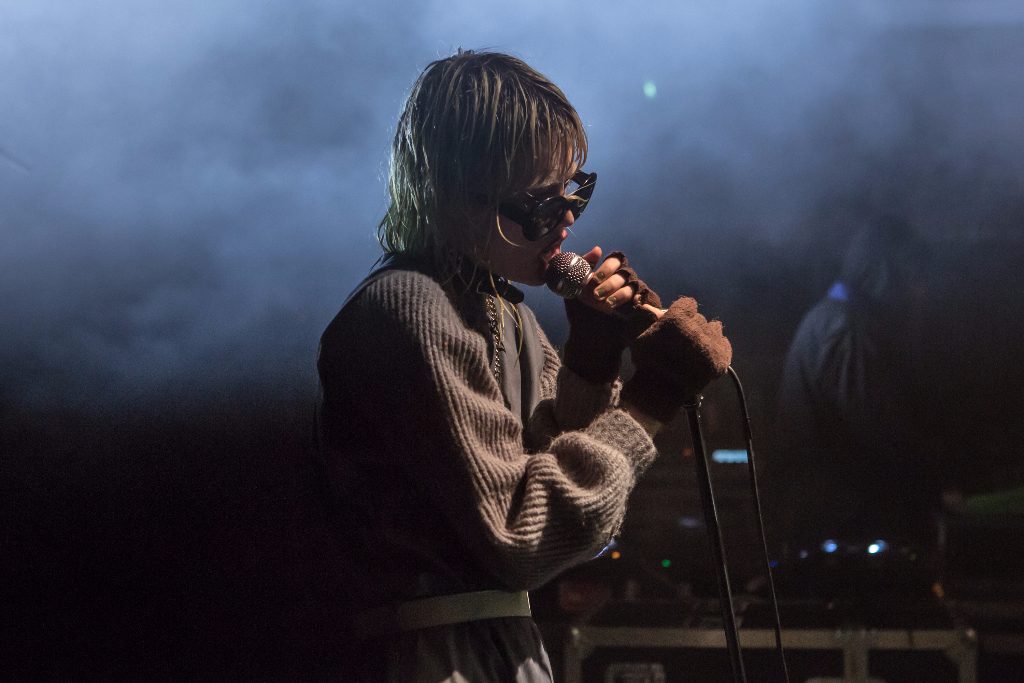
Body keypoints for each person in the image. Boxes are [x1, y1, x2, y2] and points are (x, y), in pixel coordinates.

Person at [316, 50, 731, 681]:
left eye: (575, 192)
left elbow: (574, 516)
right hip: (433, 658)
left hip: (501, 648)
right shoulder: (409, 307)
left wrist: (590, 363)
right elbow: (520, 534)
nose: (566, 218)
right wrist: (652, 401)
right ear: (454, 197)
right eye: (538, 204)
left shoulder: (512, 317)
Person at [771, 219, 935, 590]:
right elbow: (879, 430)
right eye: (912, 277)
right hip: (838, 534)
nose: (918, 291)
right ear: (885, 271)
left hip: (828, 529)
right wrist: (933, 486)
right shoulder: (845, 329)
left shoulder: (834, 318)